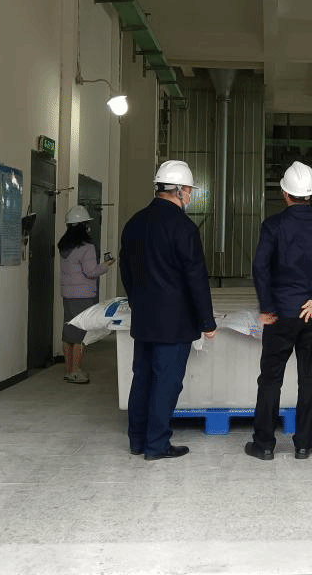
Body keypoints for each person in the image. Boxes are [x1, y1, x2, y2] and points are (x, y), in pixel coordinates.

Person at [245, 161, 312, 460]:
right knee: (309, 378)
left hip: (280, 314)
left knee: (270, 378)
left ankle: (264, 444)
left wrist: (267, 307)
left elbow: (261, 268)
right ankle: (304, 444)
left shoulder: (273, 226)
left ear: (284, 193)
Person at [119, 160, 217, 461]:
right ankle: (157, 444)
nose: (190, 195)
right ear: (179, 190)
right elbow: (196, 278)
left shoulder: (135, 223)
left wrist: (136, 300)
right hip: (174, 322)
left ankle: (137, 440)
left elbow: (126, 268)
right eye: (188, 190)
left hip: (144, 319)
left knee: (142, 378)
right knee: (166, 382)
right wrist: (207, 321)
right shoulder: (183, 227)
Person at [58, 205, 114, 384]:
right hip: (83, 295)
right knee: (81, 334)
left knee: (69, 332)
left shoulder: (64, 246)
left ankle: (69, 370)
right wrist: (106, 265)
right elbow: (90, 272)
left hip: (68, 294)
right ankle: (76, 372)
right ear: (84, 226)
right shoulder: (87, 247)